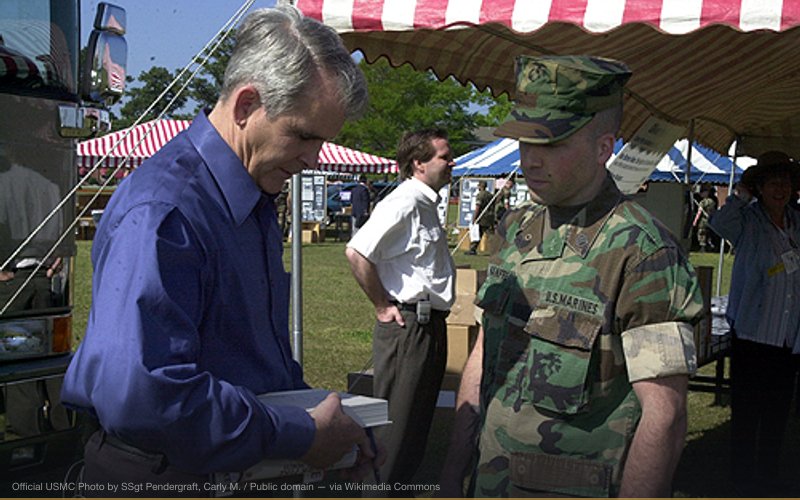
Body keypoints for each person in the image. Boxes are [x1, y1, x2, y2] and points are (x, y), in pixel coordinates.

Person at [61, 6, 378, 492]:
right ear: (247, 104)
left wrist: (333, 441)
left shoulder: (250, 197)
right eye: (303, 135)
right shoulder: (166, 211)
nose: (314, 159)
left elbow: (256, 362)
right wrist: (299, 434)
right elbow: (146, 397)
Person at [438, 55, 703, 498]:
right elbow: (485, 352)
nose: (531, 160)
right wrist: (451, 473)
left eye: (551, 145)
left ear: (604, 148)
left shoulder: (642, 252)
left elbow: (666, 416)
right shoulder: (515, 229)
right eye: (525, 142)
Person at [345, 129, 456, 492]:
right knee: (395, 428)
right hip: (408, 324)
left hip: (427, 325)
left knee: (415, 426)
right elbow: (358, 252)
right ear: (418, 163)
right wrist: (381, 306)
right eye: (444, 156)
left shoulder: (425, 202)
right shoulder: (403, 202)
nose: (452, 162)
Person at [709, 151, 800, 496]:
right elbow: (717, 224)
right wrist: (742, 192)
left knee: (777, 413)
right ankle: (742, 478)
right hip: (752, 334)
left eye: (786, 181)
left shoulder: (797, 222)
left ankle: (768, 475)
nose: (780, 188)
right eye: (772, 182)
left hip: (788, 339)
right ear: (759, 187)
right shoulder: (746, 221)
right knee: (747, 414)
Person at [467, 180, 495, 255]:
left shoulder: (480, 195)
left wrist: (474, 218)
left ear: (480, 186)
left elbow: (478, 207)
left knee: (477, 234)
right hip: (490, 216)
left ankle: (473, 249)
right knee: (490, 234)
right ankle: (496, 249)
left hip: (482, 217)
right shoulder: (490, 195)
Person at [693, 183, 718, 252]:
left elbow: (699, 212)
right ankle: (711, 246)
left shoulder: (703, 202)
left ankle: (703, 247)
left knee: (701, 233)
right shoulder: (713, 201)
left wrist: (695, 221)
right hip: (711, 220)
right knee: (709, 233)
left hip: (703, 220)